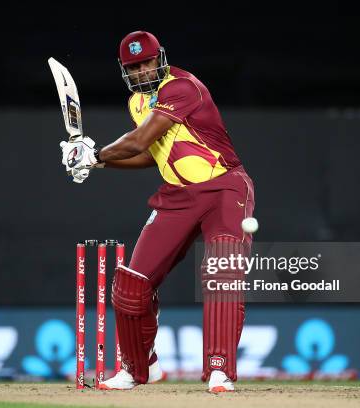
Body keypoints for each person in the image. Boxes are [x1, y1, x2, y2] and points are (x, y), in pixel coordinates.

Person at [59, 31, 255, 392]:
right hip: (177, 196)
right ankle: (138, 367)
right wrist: (98, 165)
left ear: (160, 58)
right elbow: (150, 154)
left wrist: (94, 154)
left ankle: (219, 370)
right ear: (125, 70)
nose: (142, 70)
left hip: (224, 187)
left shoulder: (183, 87)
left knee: (222, 274)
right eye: (134, 66)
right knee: (131, 285)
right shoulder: (137, 103)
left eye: (147, 62)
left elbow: (138, 140)